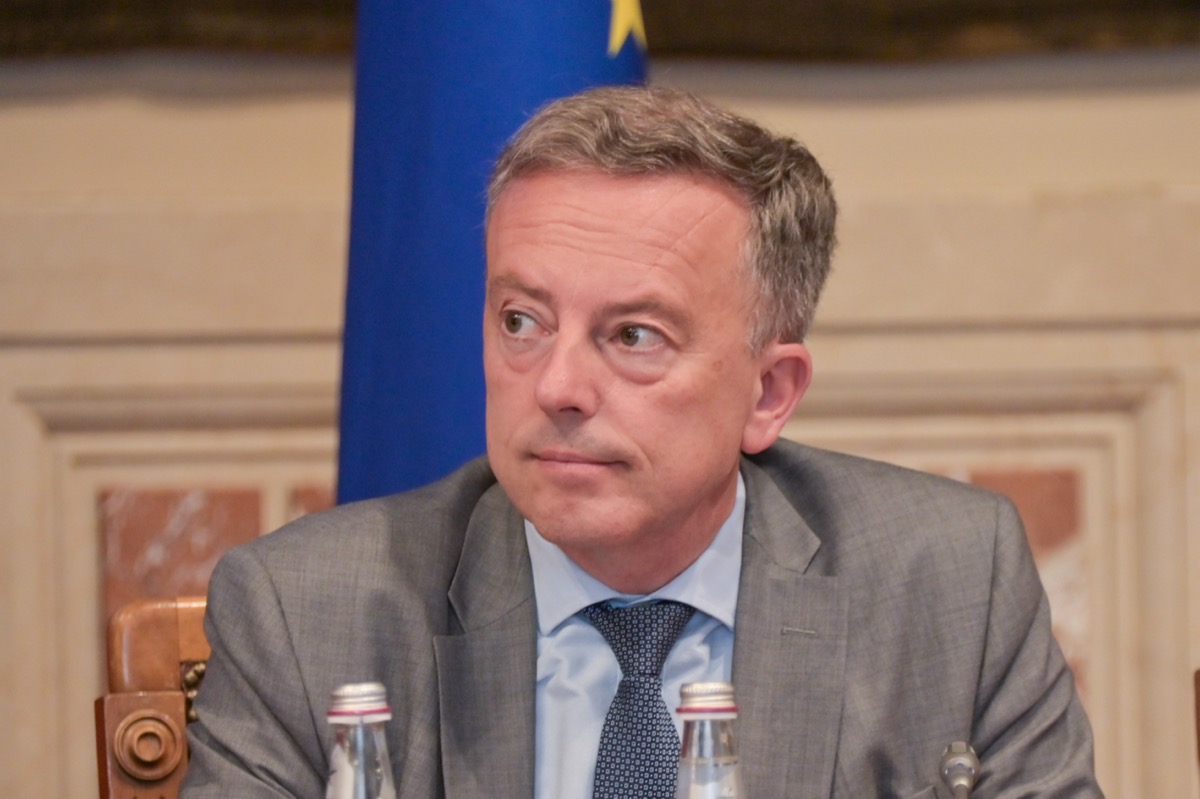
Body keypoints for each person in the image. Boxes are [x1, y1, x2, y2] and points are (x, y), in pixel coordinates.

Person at [181, 86, 1102, 798]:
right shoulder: (306, 616)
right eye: (521, 320)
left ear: (769, 393)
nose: (558, 386)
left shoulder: (951, 586)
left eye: (633, 336)